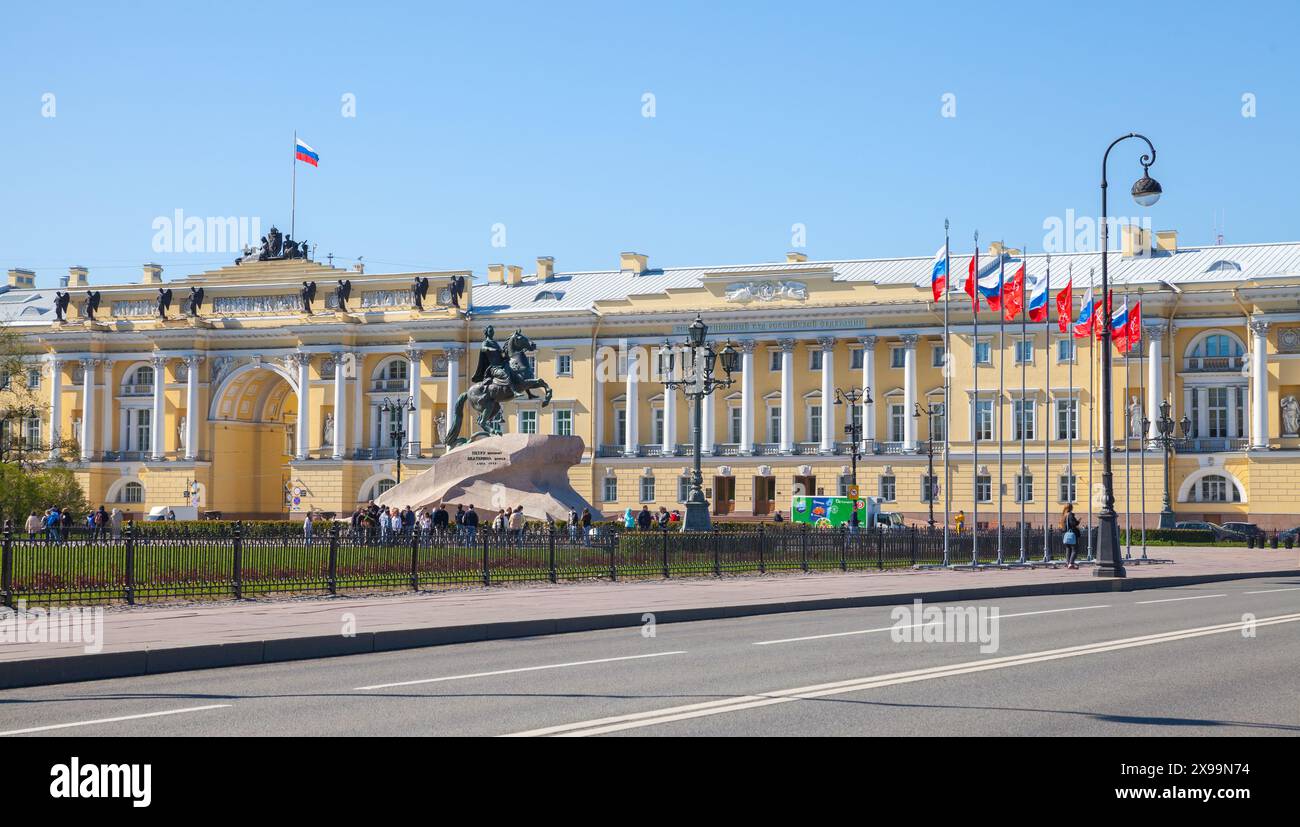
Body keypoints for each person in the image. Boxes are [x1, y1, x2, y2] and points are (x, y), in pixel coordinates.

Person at [1061, 504, 1081, 569]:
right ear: (1071, 508)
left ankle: (1067, 563)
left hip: (1065, 534)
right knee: (1075, 550)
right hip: (1071, 534)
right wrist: (1078, 521)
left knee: (1068, 549)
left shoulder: (1064, 515)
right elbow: (1073, 524)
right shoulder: (1070, 515)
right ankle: (1071, 563)